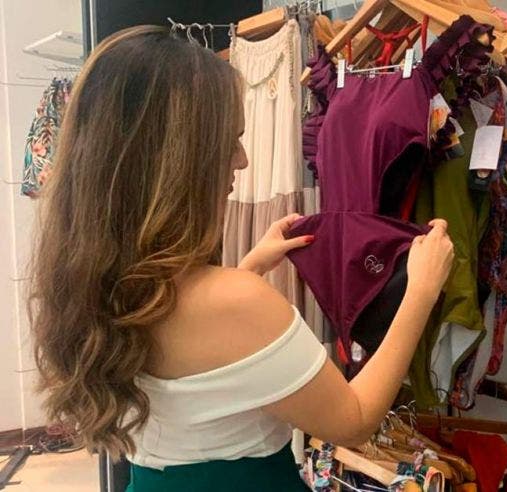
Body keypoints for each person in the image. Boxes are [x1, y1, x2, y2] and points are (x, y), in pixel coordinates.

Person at [29, 26, 454, 491]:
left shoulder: (91, 282)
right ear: (180, 163)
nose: (243, 161)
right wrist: (421, 290)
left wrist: (246, 268)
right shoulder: (236, 303)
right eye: (230, 141)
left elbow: (186, 363)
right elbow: (352, 421)